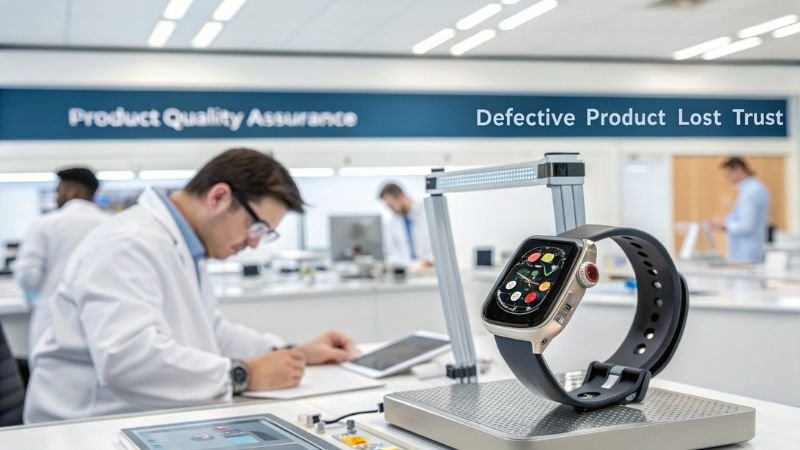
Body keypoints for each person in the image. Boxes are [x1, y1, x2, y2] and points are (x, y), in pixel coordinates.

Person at [24, 149, 359, 423]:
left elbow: (212, 332)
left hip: (135, 415)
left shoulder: (182, 246)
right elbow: (127, 360)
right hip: (84, 426)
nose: (254, 244)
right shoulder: (129, 242)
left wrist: (292, 352)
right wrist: (245, 374)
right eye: (255, 227)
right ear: (219, 196)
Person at [12, 167, 108, 356]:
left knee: (46, 379)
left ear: (72, 192)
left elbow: (28, 275)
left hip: (51, 320)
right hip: (98, 320)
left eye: (58, 190)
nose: (56, 196)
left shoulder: (46, 224)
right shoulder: (111, 224)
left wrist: (33, 297)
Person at [709, 157, 770, 263]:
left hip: (747, 254)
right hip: (745, 252)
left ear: (738, 170)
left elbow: (746, 225)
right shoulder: (751, 189)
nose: (727, 179)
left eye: (727, 175)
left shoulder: (751, 192)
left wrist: (723, 224)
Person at [378, 182, 433, 270]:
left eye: (391, 205)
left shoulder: (428, 214)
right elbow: (390, 254)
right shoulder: (391, 224)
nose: (391, 210)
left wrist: (428, 261)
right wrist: (412, 264)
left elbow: (437, 246)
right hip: (407, 271)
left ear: (401, 196)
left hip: (430, 270)